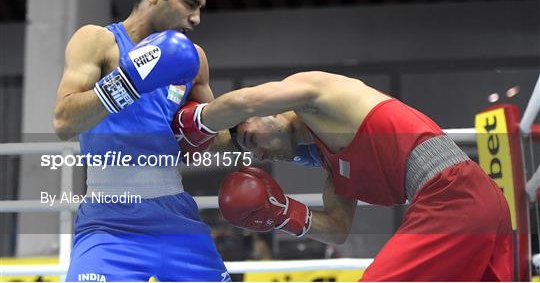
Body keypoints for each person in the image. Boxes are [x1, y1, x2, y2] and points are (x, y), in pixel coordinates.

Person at [175, 71, 514, 281]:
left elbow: (246, 101)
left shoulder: (319, 94)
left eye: (253, 140)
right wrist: (281, 213)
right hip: (480, 203)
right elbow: (337, 230)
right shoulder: (333, 163)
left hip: (453, 195)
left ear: (268, 111)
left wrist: (195, 124)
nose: (260, 154)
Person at [53, 0, 230, 281]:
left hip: (176, 216)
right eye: (190, 4)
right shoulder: (98, 42)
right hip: (108, 223)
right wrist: (130, 80)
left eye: (200, 9)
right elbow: (64, 121)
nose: (196, 19)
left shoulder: (193, 59)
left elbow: (218, 140)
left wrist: (205, 124)